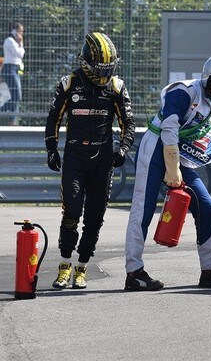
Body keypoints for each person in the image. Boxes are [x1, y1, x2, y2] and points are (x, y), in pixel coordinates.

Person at [124, 54, 211, 291]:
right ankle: (134, 272)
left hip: (181, 159)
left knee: (207, 208)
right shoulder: (185, 92)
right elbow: (169, 128)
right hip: (156, 150)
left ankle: (209, 270)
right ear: (209, 78)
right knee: (142, 209)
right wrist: (171, 170)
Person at [45, 32, 135, 289]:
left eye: (108, 68)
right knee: (72, 211)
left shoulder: (117, 87)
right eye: (100, 68)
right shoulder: (69, 83)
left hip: (102, 160)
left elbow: (128, 123)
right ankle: (64, 266)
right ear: (86, 62)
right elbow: (54, 118)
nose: (104, 73)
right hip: (75, 157)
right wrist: (51, 148)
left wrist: (123, 149)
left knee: (95, 217)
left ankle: (82, 267)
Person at [1, 22, 25, 125]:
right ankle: (2, 112)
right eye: (20, 31)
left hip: (15, 69)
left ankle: (11, 120)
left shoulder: (16, 42)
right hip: (9, 68)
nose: (21, 34)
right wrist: (20, 43)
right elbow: (19, 54)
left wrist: (20, 43)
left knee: (16, 96)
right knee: (17, 95)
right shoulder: (10, 40)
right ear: (14, 31)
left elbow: (21, 54)